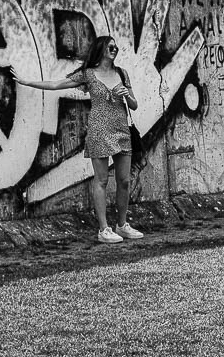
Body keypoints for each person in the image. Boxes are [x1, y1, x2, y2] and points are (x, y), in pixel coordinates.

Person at [9, 35, 143, 243]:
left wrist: (127, 95)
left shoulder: (121, 73)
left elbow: (134, 105)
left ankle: (122, 225)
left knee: (124, 181)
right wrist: (26, 81)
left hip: (122, 130)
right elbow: (56, 85)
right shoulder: (88, 75)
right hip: (99, 131)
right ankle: (103, 229)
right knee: (101, 180)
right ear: (101, 49)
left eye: (116, 47)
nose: (115, 49)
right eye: (111, 46)